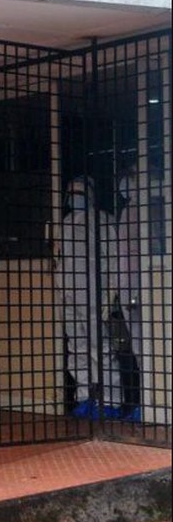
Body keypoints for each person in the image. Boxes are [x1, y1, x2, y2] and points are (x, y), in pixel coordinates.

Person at [55, 176, 121, 420]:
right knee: (77, 347)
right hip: (68, 292)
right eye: (72, 194)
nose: (75, 198)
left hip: (93, 292)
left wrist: (110, 295)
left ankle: (111, 400)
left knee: (100, 348)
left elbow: (115, 260)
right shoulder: (66, 223)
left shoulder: (103, 221)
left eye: (80, 194)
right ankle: (85, 397)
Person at [110, 172, 143, 422]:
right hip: (128, 285)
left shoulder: (141, 209)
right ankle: (141, 401)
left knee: (143, 345)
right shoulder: (127, 212)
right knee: (135, 346)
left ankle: (146, 401)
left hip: (136, 284)